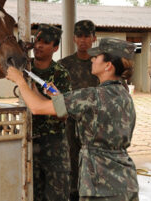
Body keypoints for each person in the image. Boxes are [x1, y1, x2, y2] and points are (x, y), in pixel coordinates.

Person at [6, 38, 139, 201]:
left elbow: (36, 108)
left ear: (108, 66)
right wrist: (57, 98)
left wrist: (19, 80)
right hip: (127, 183)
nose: (92, 59)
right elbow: (76, 112)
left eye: (97, 57)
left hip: (100, 186)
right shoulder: (124, 94)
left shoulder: (92, 96)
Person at [58, 20, 99, 201]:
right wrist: (61, 114)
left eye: (87, 36)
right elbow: (56, 95)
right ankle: (74, 195)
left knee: (95, 162)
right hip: (70, 124)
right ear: (74, 38)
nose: (83, 40)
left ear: (94, 38)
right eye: (79, 36)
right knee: (71, 162)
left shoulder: (100, 64)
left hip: (95, 125)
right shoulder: (64, 65)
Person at [30, 24, 72, 201]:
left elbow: (63, 114)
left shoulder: (60, 74)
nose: (38, 45)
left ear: (55, 48)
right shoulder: (24, 69)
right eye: (37, 40)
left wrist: (46, 98)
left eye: (45, 42)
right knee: (31, 193)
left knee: (57, 194)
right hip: (29, 140)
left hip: (54, 142)